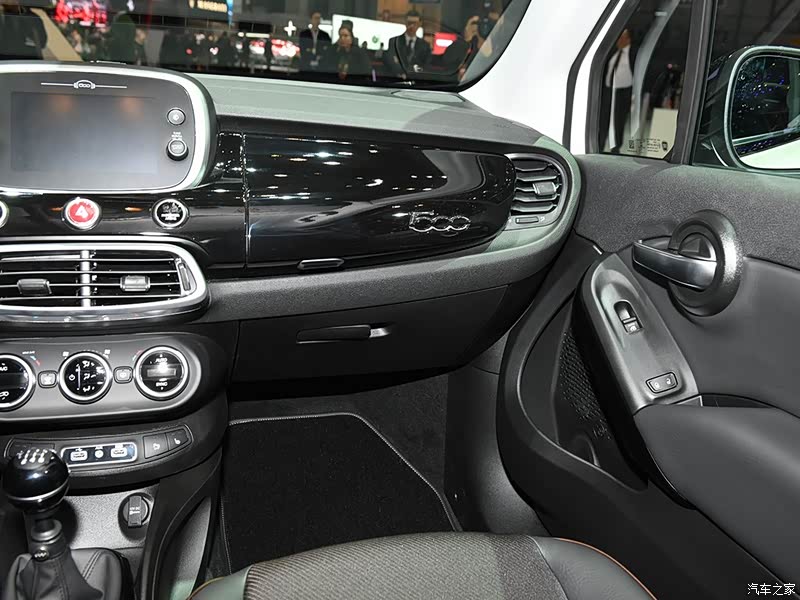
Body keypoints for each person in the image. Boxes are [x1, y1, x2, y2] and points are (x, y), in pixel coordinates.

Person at [600, 28, 636, 154]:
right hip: (609, 91)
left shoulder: (633, 54)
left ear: (628, 39)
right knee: (604, 118)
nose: (619, 40)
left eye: (622, 37)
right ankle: (599, 144)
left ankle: (615, 148)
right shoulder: (612, 52)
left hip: (623, 93)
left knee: (618, 121)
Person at [384, 10, 431, 78]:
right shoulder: (394, 42)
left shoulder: (425, 46)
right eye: (409, 23)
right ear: (405, 23)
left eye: (415, 23)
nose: (411, 26)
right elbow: (391, 62)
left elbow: (425, 67)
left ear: (419, 24)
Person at [441, 15, 483, 80]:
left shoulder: (495, 45)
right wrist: (466, 39)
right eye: (473, 23)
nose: (476, 27)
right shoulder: (461, 45)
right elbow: (447, 60)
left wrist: (482, 40)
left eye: (480, 24)